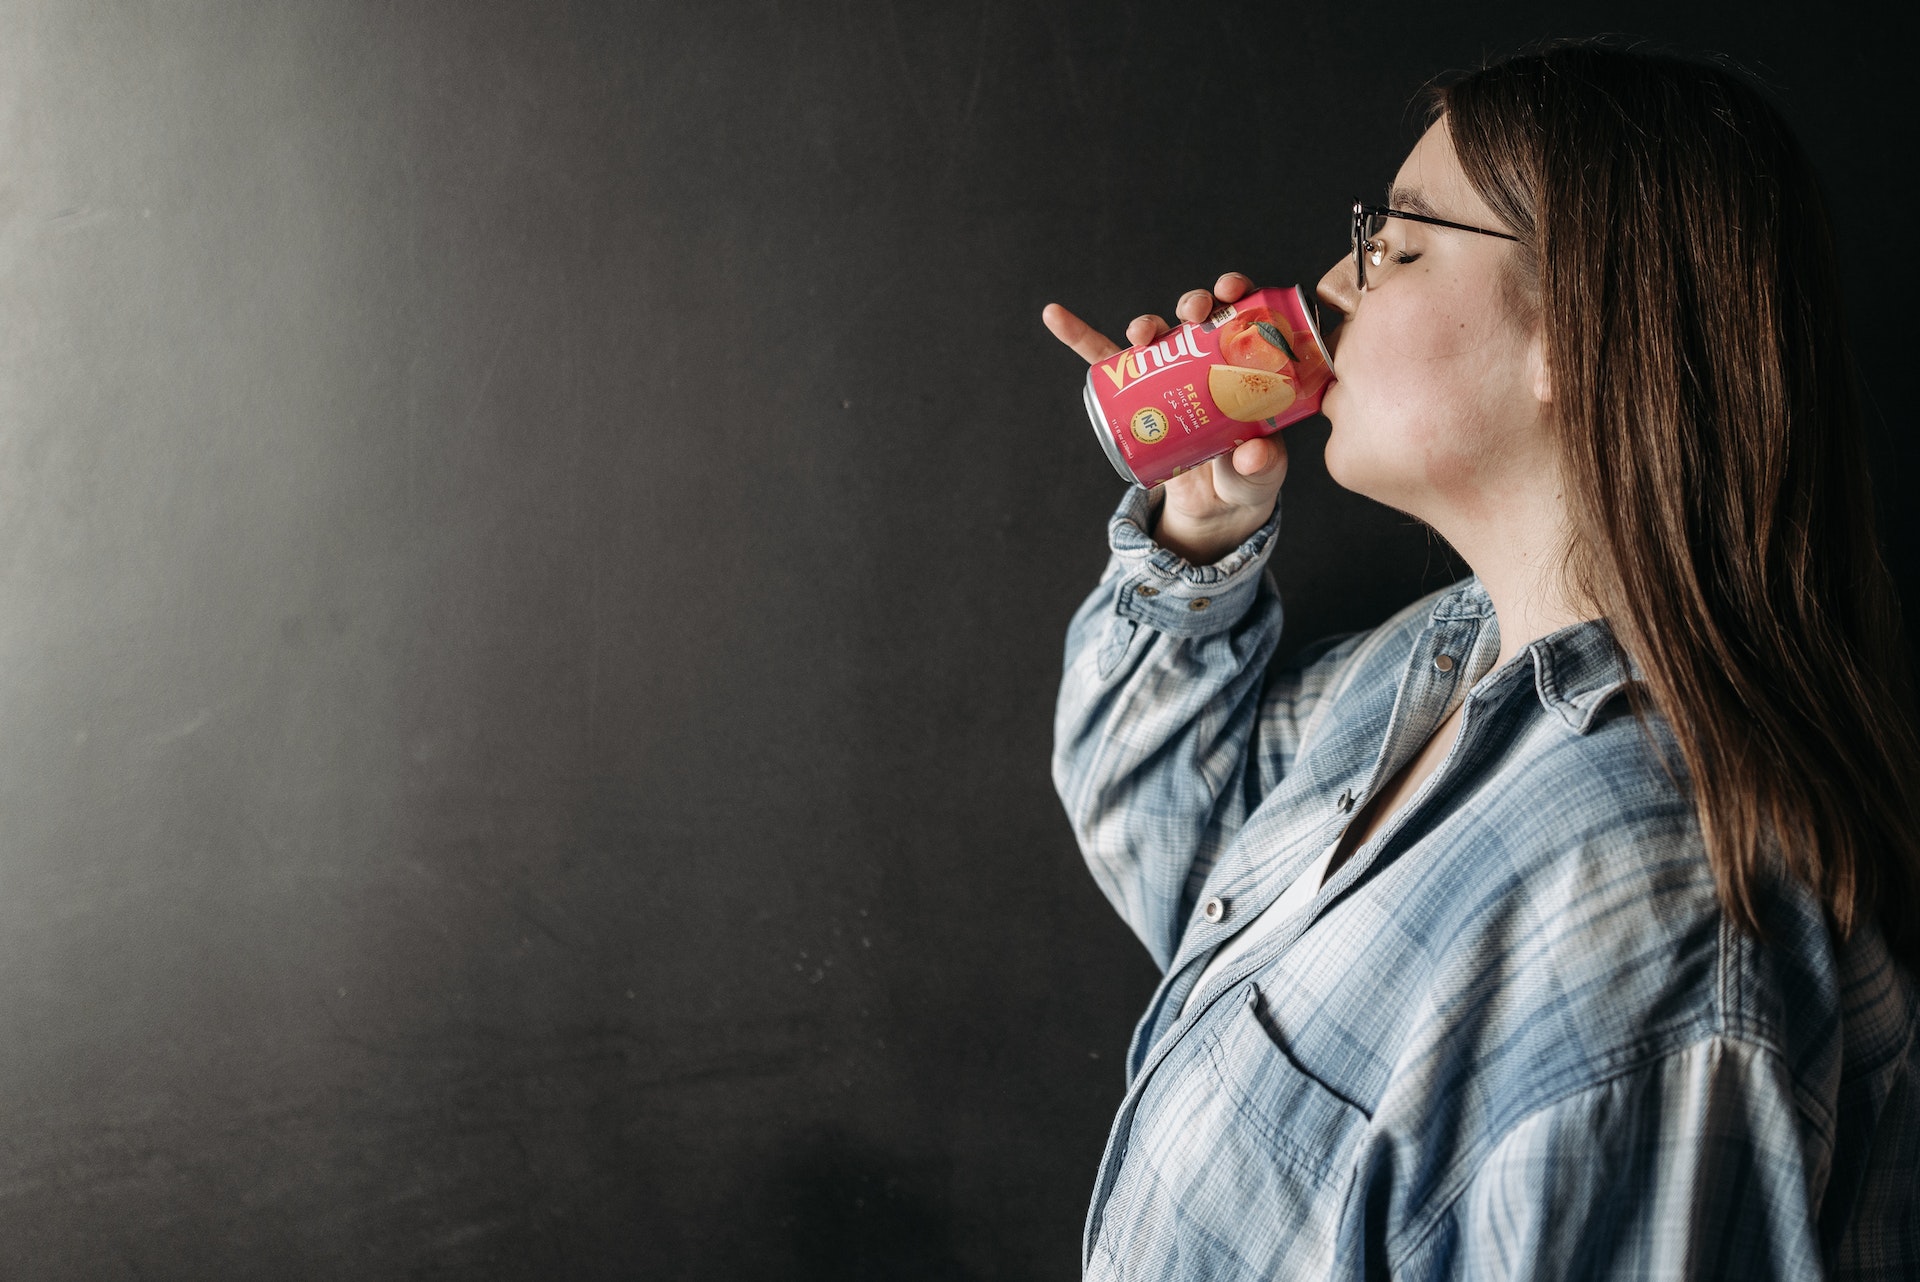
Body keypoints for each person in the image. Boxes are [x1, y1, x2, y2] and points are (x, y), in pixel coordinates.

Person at [1041, 40, 1918, 1280]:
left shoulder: (1654, 941)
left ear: (1585, 329)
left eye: (1395, 244)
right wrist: (1201, 529)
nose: (1328, 285)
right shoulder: (1438, 661)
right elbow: (1172, 840)